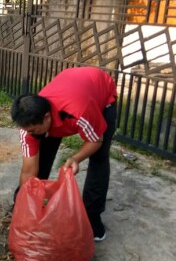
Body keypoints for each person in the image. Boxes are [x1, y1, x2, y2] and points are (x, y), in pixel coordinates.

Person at [10, 66, 117, 242]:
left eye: (34, 130)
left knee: (99, 158)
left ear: (46, 118)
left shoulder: (79, 112)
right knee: (42, 154)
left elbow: (95, 140)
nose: (30, 134)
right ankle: (29, 207)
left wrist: (75, 158)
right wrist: (23, 206)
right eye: (27, 131)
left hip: (99, 91)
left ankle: (92, 220)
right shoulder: (28, 127)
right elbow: (29, 171)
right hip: (68, 84)